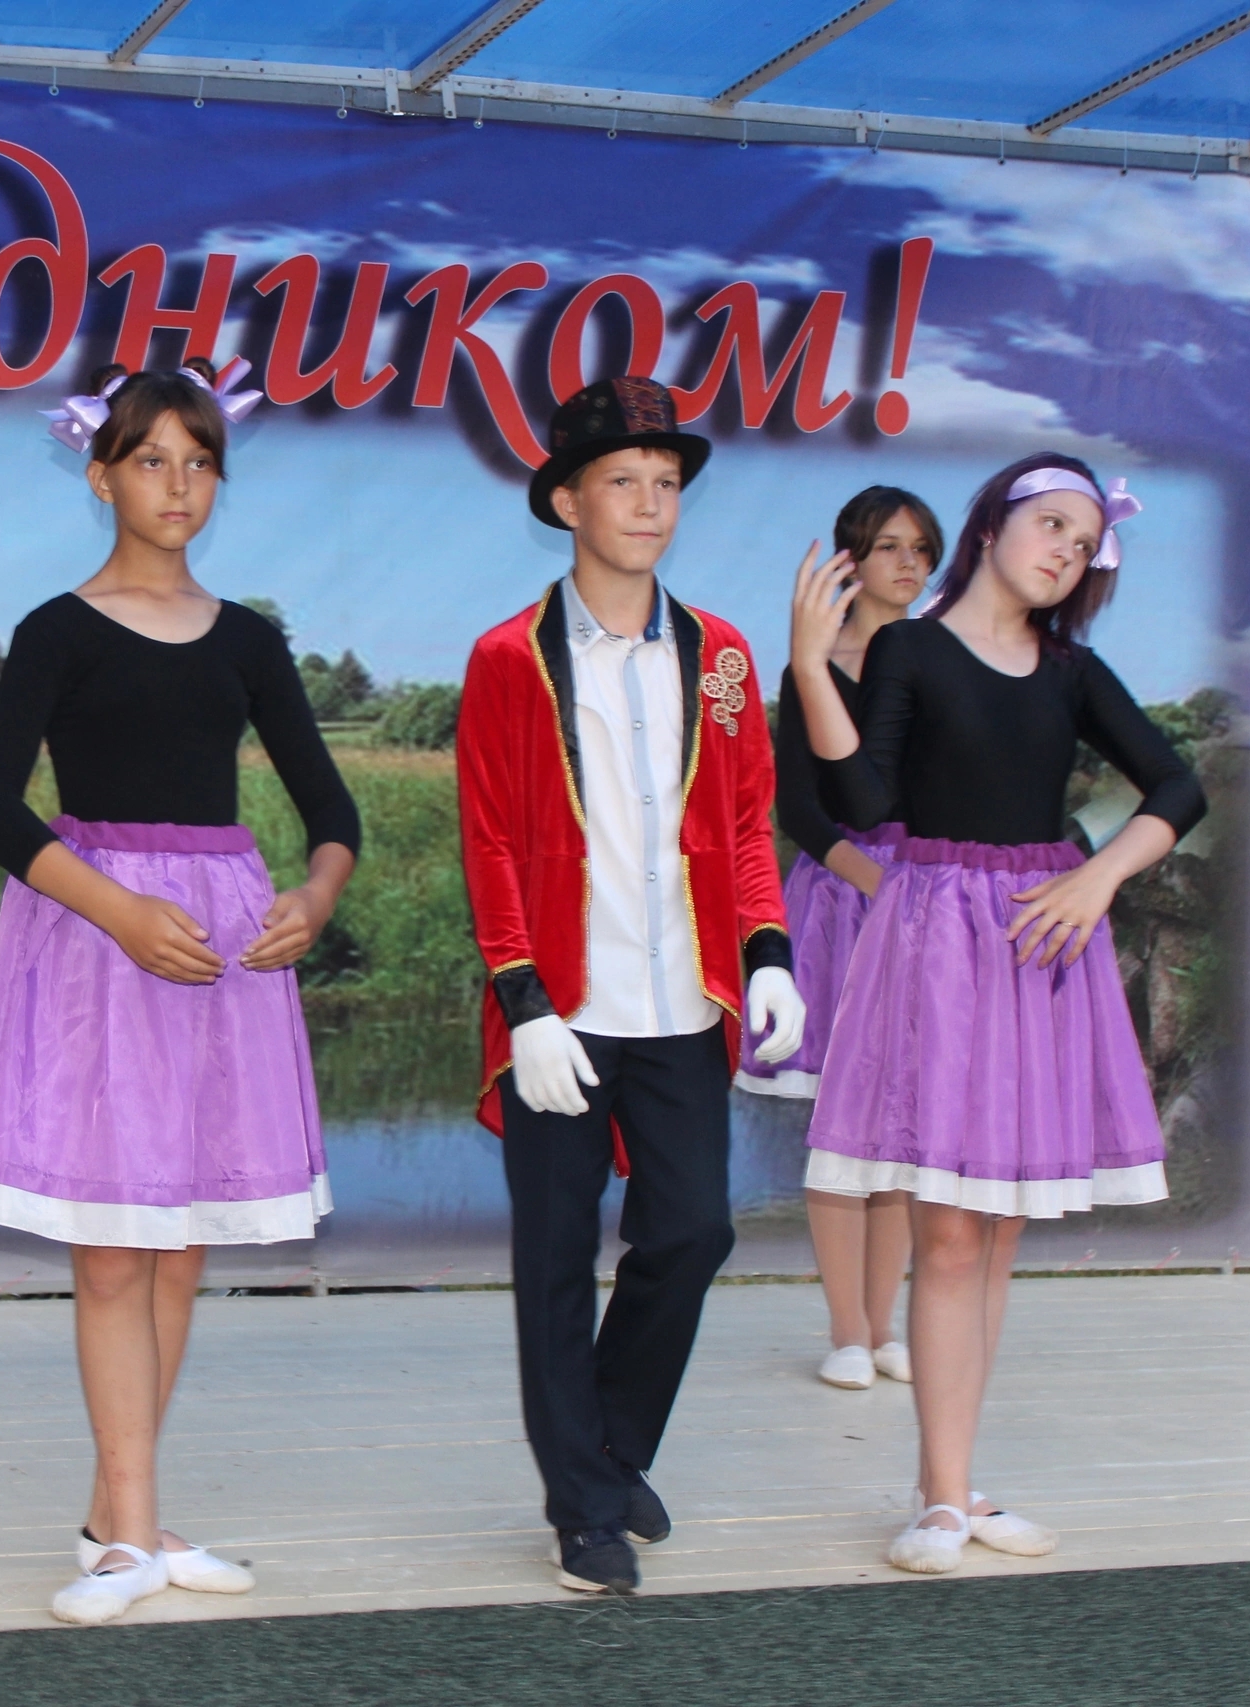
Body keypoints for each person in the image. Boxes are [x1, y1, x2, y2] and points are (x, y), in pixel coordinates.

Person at [0, 357, 358, 1627]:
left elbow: (329, 811)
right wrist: (115, 908)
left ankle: (126, 1519)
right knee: (115, 1255)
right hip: (97, 949)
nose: (177, 485)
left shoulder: (249, 640)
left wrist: (314, 895)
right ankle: (126, 1537)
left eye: (198, 462)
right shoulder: (57, 632)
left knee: (177, 1253)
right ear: (101, 476)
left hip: (217, 954)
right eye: (151, 460)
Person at [788, 453, 1201, 1573]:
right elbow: (861, 797)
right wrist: (811, 667)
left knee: (1000, 1229)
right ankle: (938, 1499)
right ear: (992, 526)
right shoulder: (912, 649)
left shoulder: (1073, 672)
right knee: (948, 1229)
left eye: (1085, 541)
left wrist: (1098, 875)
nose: (1067, 550)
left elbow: (1178, 786)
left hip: (1040, 943)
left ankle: (957, 1486)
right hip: (934, 944)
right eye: (1051, 524)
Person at [458, 376, 806, 1598]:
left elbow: (747, 820)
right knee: (555, 1259)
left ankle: (604, 1450)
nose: (650, 503)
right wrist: (523, 1003)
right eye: (623, 481)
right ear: (567, 502)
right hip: (562, 1008)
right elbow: (489, 840)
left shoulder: (720, 656)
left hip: (678, 1003)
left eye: (665, 483)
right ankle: (583, 1511)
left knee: (694, 1229)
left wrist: (766, 953)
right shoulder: (509, 658)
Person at [738, 487, 939, 1391]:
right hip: (843, 902)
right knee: (841, 1128)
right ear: (851, 559)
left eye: (922, 549)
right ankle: (846, 1331)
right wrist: (874, 881)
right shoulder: (810, 669)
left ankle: (888, 1326)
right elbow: (798, 806)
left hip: (925, 901)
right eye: (891, 546)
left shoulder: (943, 656)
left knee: (903, 1131)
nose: (910, 564)